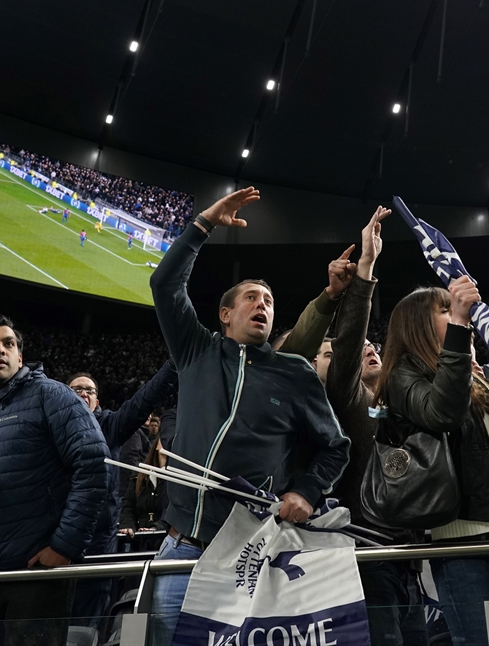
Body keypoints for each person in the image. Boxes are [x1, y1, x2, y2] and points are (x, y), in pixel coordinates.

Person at [147, 187, 351, 645]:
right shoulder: (197, 349)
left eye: (270, 301)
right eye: (252, 297)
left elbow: (335, 447)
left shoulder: (294, 372)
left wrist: (307, 490)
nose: (263, 304)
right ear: (225, 314)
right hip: (182, 549)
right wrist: (202, 226)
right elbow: (164, 285)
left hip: (250, 554)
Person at [373, 277, 489, 646]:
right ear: (418, 325)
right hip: (467, 548)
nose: (459, 314)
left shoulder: (470, 375)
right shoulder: (404, 375)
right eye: (444, 310)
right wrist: (459, 329)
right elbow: (442, 415)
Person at [0, 314, 109, 646]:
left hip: (35, 577)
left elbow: (94, 465)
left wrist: (64, 546)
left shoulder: (52, 396)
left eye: (8, 344)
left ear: (19, 357)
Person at [323, 206, 428, 646]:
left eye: (373, 344)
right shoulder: (347, 401)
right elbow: (346, 350)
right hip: (367, 558)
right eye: (360, 346)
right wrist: (365, 270)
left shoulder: (401, 402)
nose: (369, 347)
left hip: (410, 560)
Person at [65, 364, 176, 626]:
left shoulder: (108, 426)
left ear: (97, 400)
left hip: (96, 545)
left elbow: (141, 402)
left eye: (89, 390)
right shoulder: (46, 427)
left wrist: (172, 366)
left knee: (86, 626)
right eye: (77, 389)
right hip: (51, 544)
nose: (83, 393)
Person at [119, 437, 169, 552]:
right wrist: (128, 526)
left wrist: (157, 528)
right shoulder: (139, 476)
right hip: (139, 543)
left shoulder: (177, 479)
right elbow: (128, 506)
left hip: (163, 542)